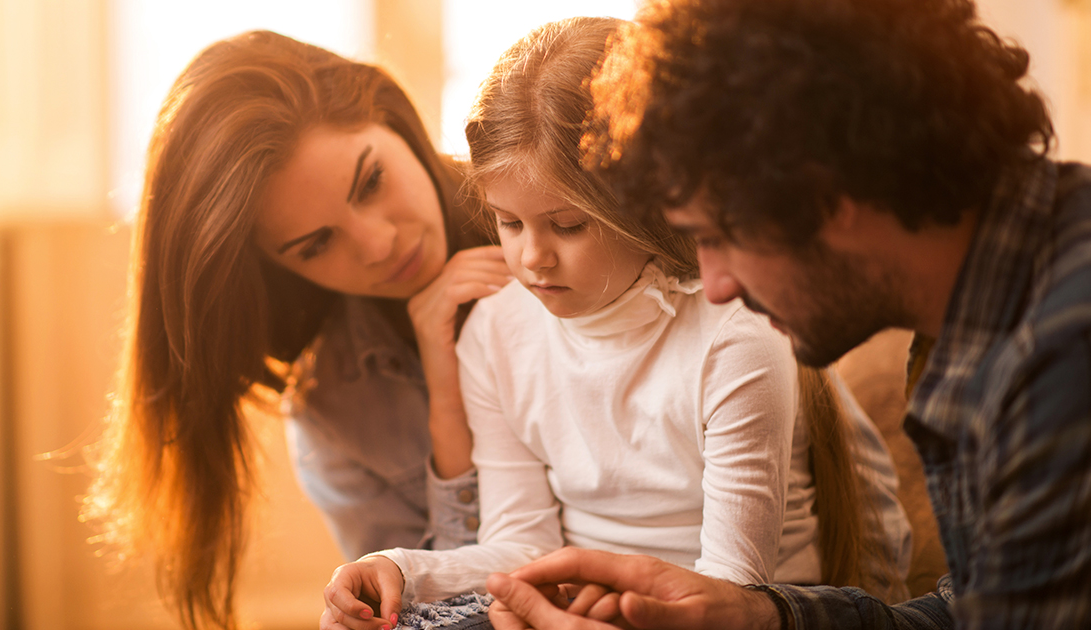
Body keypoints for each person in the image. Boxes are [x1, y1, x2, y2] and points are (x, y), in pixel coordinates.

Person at [485, 0, 1091, 629]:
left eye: (716, 235)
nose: (715, 285)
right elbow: (967, 614)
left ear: (825, 193)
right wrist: (761, 616)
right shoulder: (977, 317)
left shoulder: (1057, 361)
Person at [322, 18, 912, 630]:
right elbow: (523, 547)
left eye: (568, 225)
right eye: (510, 223)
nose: (533, 258)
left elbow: (732, 590)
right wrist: (401, 569)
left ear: (650, 202)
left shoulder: (736, 331)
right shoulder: (496, 331)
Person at [82, 31, 514, 630]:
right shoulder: (334, 415)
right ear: (279, 270)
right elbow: (440, 612)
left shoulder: (573, 215)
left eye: (370, 182)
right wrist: (447, 396)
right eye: (315, 245)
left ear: (390, 116)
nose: (379, 243)